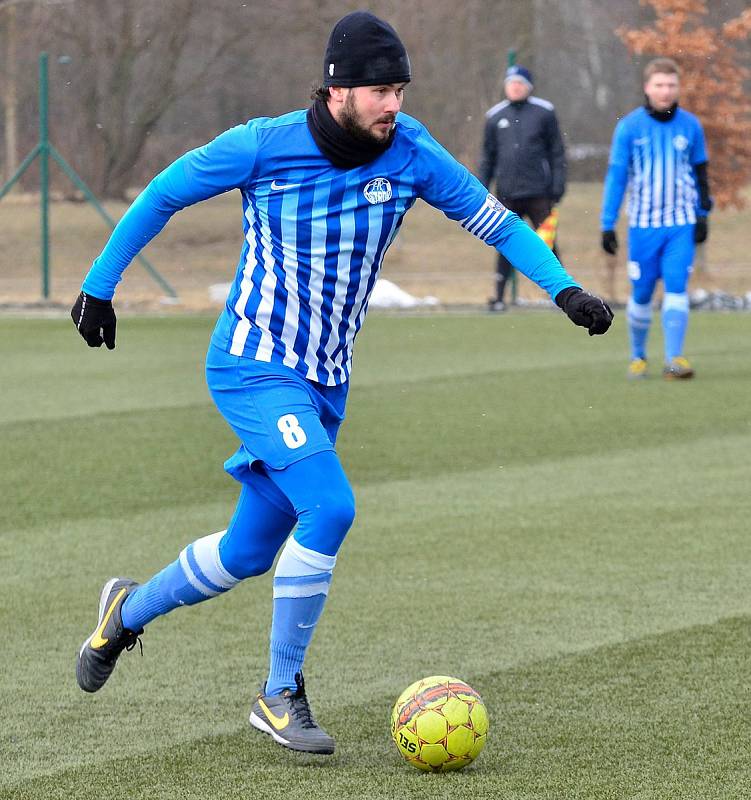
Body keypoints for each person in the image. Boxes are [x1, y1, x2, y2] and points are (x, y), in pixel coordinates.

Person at [71, 11, 613, 756]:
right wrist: (99, 286)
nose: (394, 104)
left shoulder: (411, 152)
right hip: (252, 365)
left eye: (399, 89)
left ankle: (124, 615)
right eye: (380, 90)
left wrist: (564, 290)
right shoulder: (263, 144)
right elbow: (162, 193)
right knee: (329, 507)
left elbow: (496, 223)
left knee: (246, 552)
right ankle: (277, 692)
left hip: (325, 381)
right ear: (337, 90)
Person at [600, 57, 712, 380]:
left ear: (678, 88)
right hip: (643, 226)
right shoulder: (629, 127)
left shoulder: (691, 126)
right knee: (643, 293)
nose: (665, 91)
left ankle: (674, 358)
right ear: (647, 88)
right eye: (659, 85)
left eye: (671, 85)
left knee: (677, 286)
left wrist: (703, 214)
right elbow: (617, 177)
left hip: (681, 223)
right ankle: (638, 357)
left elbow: (701, 172)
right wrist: (607, 224)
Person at [479, 64, 566, 311]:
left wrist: (558, 184)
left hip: (540, 193)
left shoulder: (544, 112)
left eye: (519, 83)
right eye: (511, 83)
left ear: (528, 87)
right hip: (507, 194)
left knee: (547, 243)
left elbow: (557, 152)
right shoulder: (494, 116)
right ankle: (498, 297)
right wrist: (482, 187)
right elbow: (488, 157)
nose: (515, 87)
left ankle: (561, 294)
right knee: (506, 244)